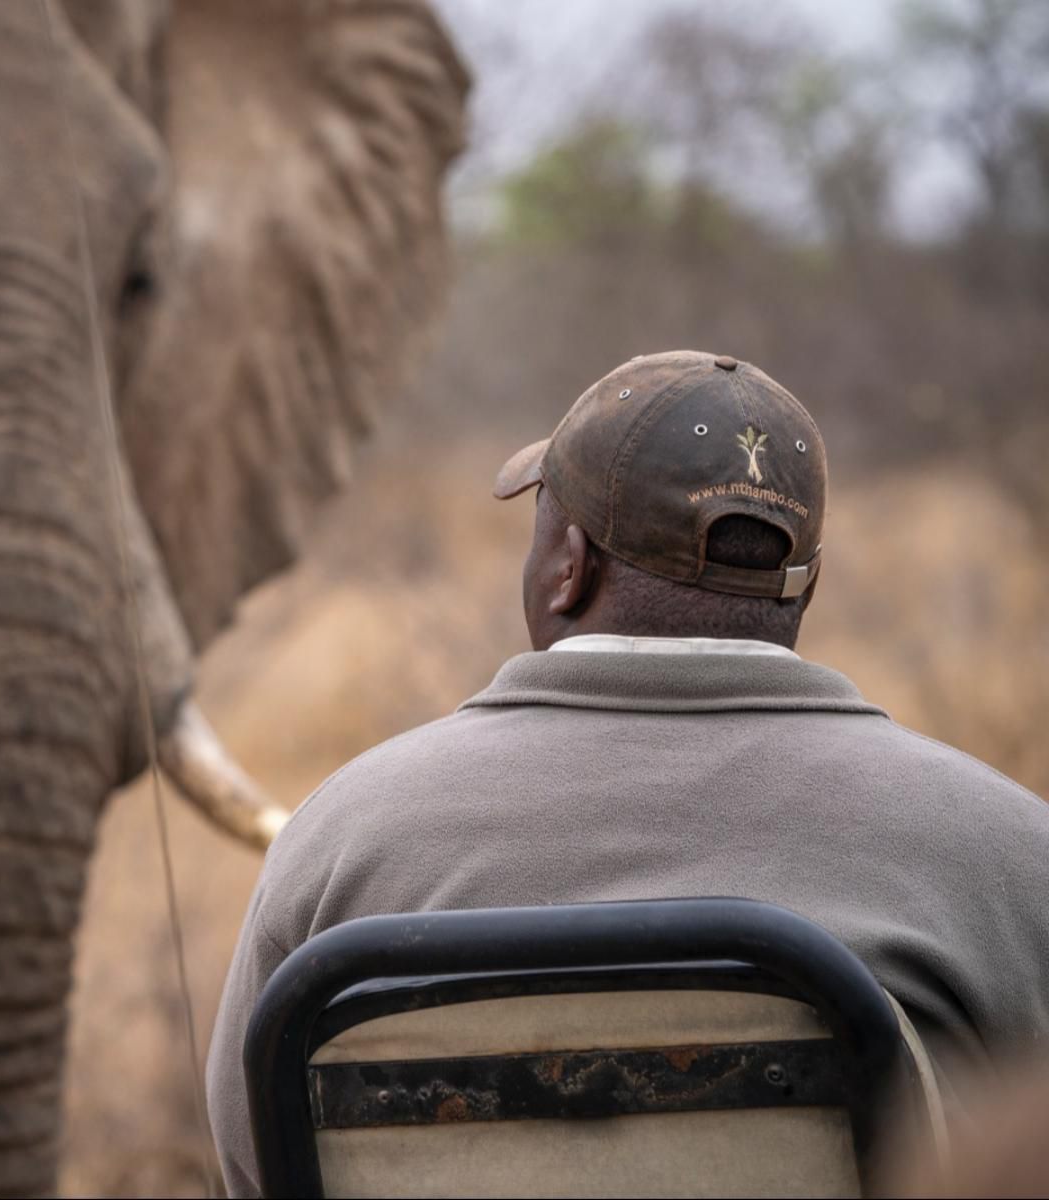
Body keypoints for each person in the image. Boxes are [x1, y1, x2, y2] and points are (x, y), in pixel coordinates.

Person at [204, 349, 1049, 1198]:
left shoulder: (343, 840)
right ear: (805, 586)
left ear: (568, 566)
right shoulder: (1012, 856)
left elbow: (256, 1165)